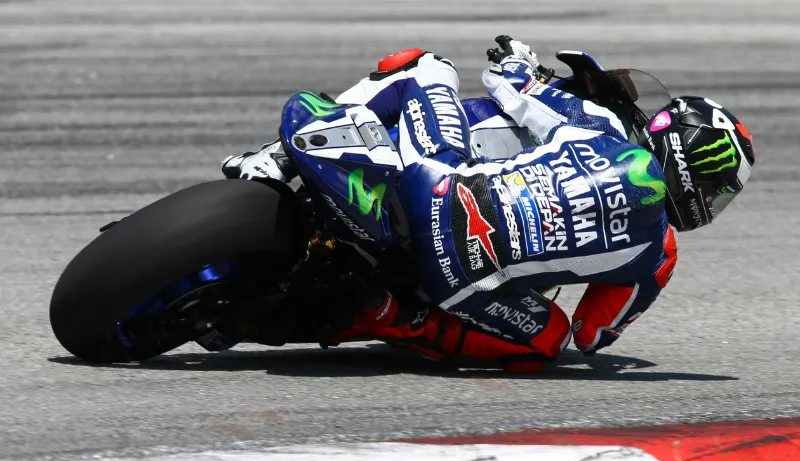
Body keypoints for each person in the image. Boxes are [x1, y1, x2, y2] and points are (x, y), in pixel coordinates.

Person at [221, 37, 755, 372]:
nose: (711, 203)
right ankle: (393, 318)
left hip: (433, 185)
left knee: (424, 65)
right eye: (717, 192)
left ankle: (278, 157)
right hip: (462, 283)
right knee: (549, 343)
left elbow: (506, 81)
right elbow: (592, 336)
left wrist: (520, 61)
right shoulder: (661, 254)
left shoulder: (603, 126)